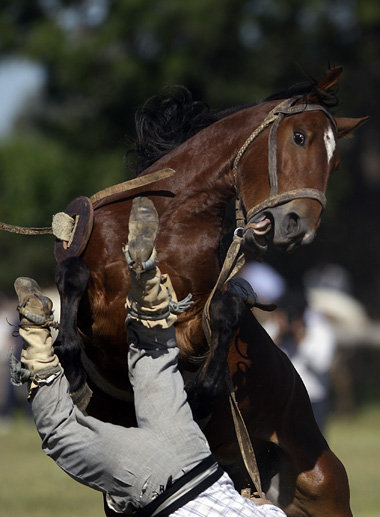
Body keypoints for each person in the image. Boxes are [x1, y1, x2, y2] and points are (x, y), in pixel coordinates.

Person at [10, 197, 285, 516]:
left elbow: (267, 508)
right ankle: (36, 332)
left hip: (195, 456)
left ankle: (147, 279)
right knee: (59, 432)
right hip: (156, 485)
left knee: (155, 357)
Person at [268, 289, 336, 433]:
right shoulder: (272, 330)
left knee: (313, 451)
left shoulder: (320, 331)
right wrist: (278, 335)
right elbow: (260, 361)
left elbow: (321, 364)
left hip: (312, 400)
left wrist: (301, 340)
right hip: (281, 400)